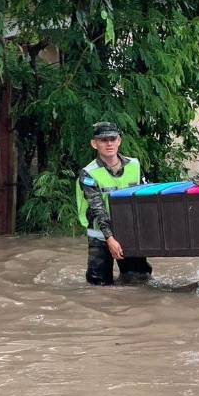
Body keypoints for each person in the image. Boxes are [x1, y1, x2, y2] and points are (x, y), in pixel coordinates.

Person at [75, 122, 152, 286]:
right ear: (94, 143)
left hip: (129, 232)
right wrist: (110, 238)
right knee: (99, 286)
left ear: (119, 141)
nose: (109, 143)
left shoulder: (135, 165)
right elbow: (97, 209)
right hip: (100, 236)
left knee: (140, 281)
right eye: (103, 140)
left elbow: (146, 198)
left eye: (112, 139)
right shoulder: (88, 173)